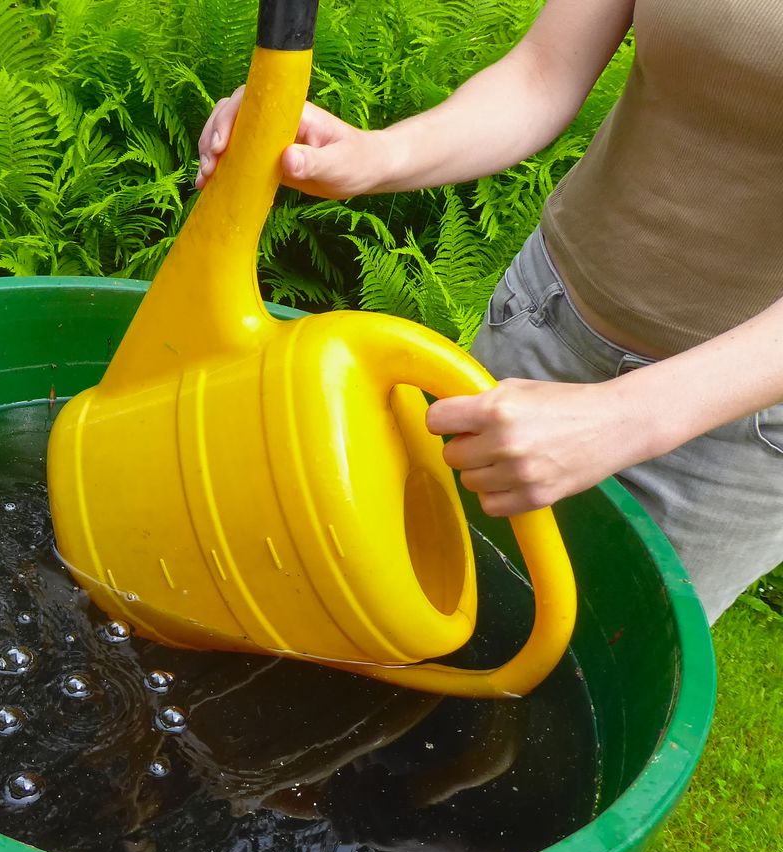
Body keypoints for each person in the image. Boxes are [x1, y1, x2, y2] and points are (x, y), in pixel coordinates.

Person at [195, 0, 783, 623]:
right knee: (413, 583)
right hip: (547, 312)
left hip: (732, 431)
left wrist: (626, 418)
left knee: (585, 659)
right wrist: (376, 156)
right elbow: (542, 73)